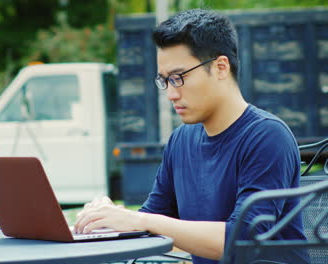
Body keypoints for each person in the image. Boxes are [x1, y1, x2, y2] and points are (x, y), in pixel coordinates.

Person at [74, 9, 308, 264]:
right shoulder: (181, 140)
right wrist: (109, 219)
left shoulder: (266, 136)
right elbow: (151, 222)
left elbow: (243, 240)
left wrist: (138, 220)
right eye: (165, 81)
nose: (171, 94)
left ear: (220, 67)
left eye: (179, 78)